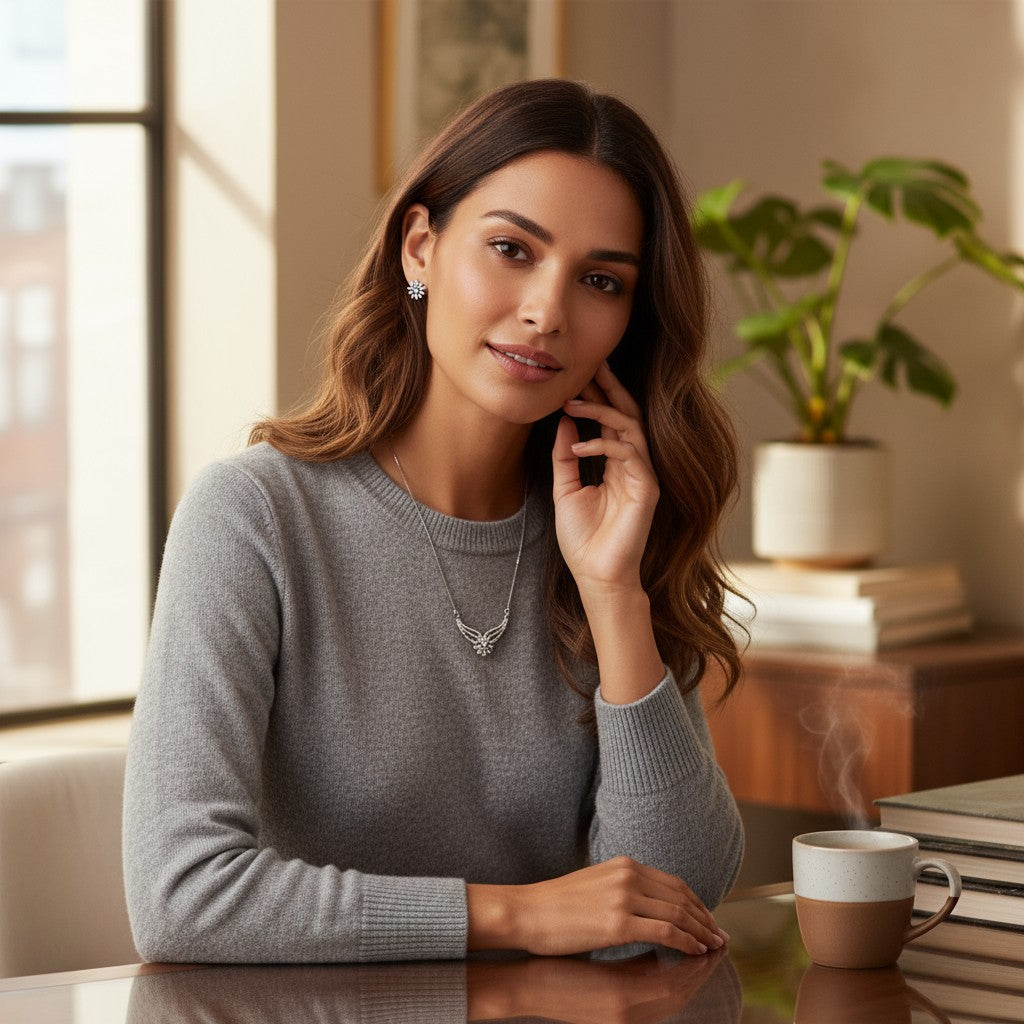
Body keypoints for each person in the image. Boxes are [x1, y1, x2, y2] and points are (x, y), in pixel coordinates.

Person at [123, 78, 744, 965]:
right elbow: (181, 896)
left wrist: (614, 597)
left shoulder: (610, 534)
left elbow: (667, 907)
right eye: (510, 249)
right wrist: (519, 916)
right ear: (420, 247)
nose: (547, 310)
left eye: (600, 280)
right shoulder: (255, 518)